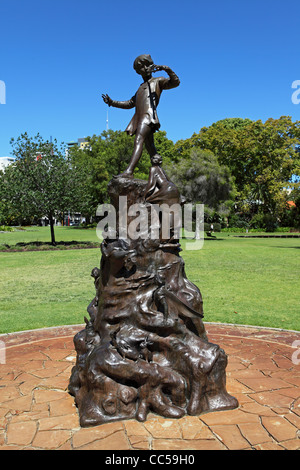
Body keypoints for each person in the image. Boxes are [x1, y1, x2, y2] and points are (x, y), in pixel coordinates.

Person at [102, 54, 180, 177]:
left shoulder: (157, 81)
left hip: (148, 117)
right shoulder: (140, 88)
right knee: (151, 149)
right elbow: (129, 103)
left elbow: (175, 82)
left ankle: (129, 171)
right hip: (139, 118)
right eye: (140, 68)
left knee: (138, 140)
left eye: (146, 65)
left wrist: (166, 69)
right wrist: (112, 103)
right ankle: (162, 179)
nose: (144, 69)